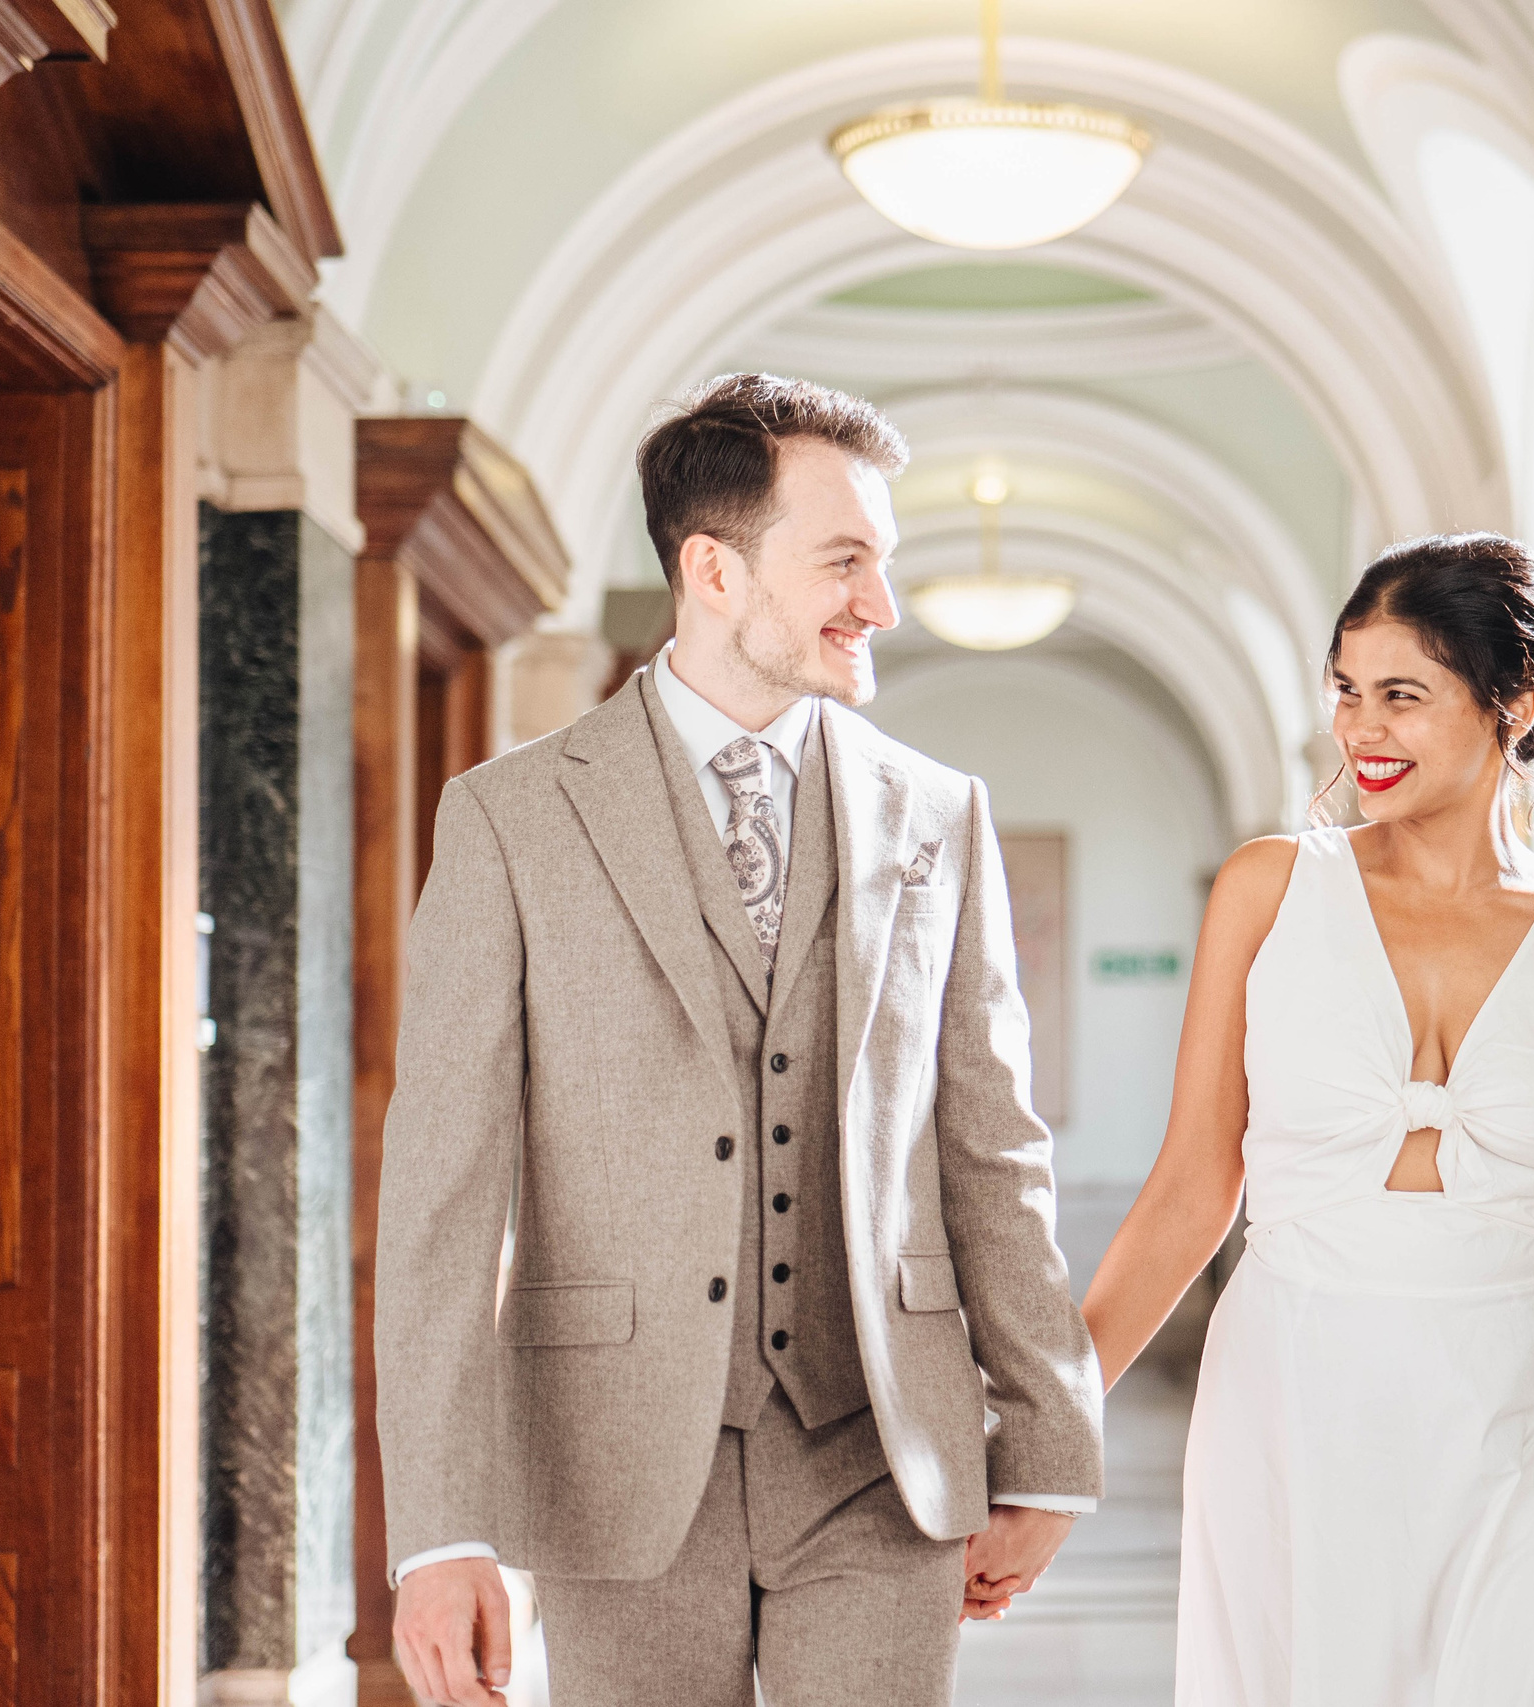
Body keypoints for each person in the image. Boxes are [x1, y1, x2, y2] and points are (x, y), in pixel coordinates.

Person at [373, 372, 1105, 1707]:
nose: (880, 604)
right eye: (844, 562)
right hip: (612, 1459)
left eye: (884, 562)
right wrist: (440, 1523)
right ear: (713, 568)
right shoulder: (513, 817)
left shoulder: (941, 812)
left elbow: (994, 1143)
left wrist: (1050, 1441)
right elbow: (443, 1190)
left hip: (883, 1452)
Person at [1080, 534, 1534, 1704]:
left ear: (1512, 703)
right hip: (1299, 1406)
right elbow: (1187, 1193)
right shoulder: (1267, 889)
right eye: (1348, 693)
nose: (1362, 730)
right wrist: (1042, 1450)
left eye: (1402, 696)